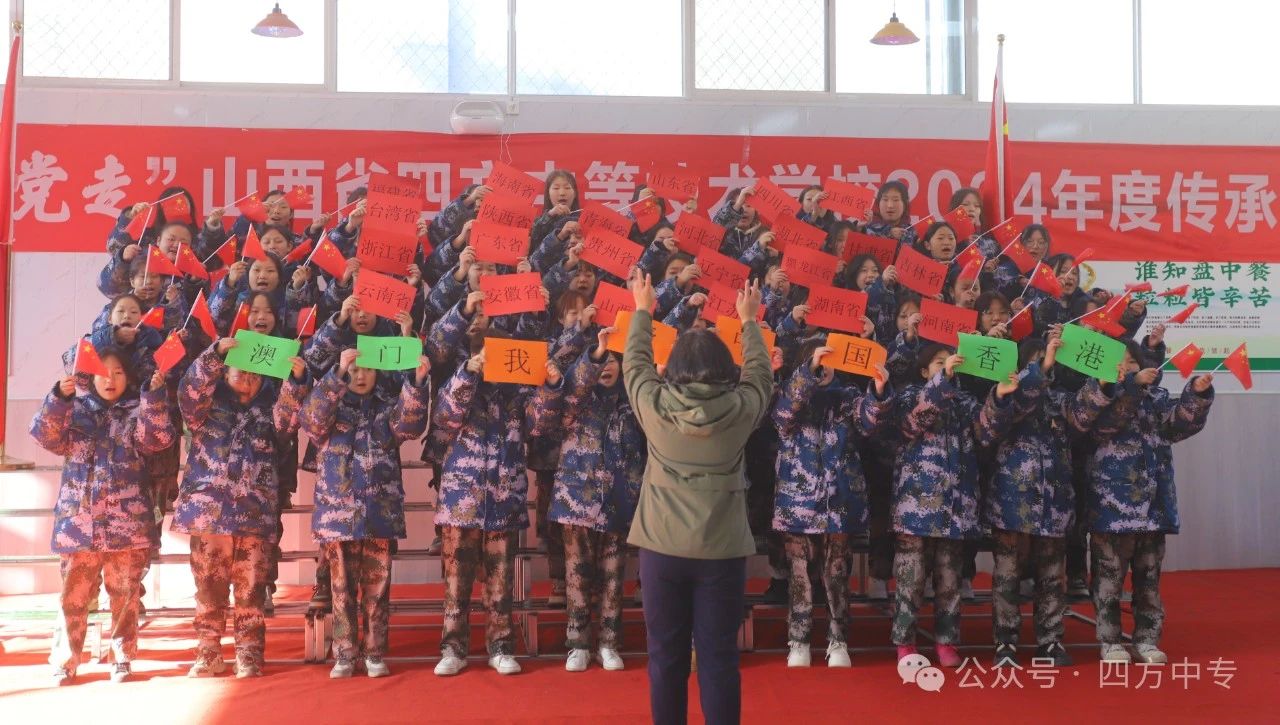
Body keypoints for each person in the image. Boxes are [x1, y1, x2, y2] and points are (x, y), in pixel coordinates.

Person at [625, 273, 773, 725]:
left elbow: (635, 364)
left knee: (665, 658)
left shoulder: (654, 406)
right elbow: (760, 374)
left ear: (673, 368)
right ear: (726, 368)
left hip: (661, 550)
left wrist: (643, 310)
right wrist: (749, 321)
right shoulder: (742, 409)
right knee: (719, 659)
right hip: (722, 553)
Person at [30, 349, 175, 685]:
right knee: (73, 598)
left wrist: (154, 398)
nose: (111, 379)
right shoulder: (75, 409)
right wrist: (58, 398)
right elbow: (43, 435)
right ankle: (65, 661)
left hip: (127, 524)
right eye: (103, 372)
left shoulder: (137, 410)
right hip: (79, 525)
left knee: (125, 597)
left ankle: (122, 658)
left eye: (119, 372)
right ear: (90, 376)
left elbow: (159, 440)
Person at [1068, 341, 1215, 664]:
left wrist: (1197, 395)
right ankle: (1110, 640)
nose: (1126, 367)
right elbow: (1096, 426)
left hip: (1153, 505)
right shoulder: (1095, 395)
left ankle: (1147, 639)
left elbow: (1178, 426)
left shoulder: (1156, 398)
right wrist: (1131, 387)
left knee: (1148, 580)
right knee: (1108, 579)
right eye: (1119, 362)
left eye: (1132, 361)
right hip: (1111, 507)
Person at [299, 348, 432, 679]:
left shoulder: (386, 409)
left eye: (367, 370)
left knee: (377, 589)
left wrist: (417, 382)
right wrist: (336, 376)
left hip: (378, 514)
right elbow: (311, 419)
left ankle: (374, 652)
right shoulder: (332, 407)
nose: (360, 376)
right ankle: (344, 653)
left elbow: (410, 425)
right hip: (338, 515)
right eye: (354, 370)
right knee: (341, 589)